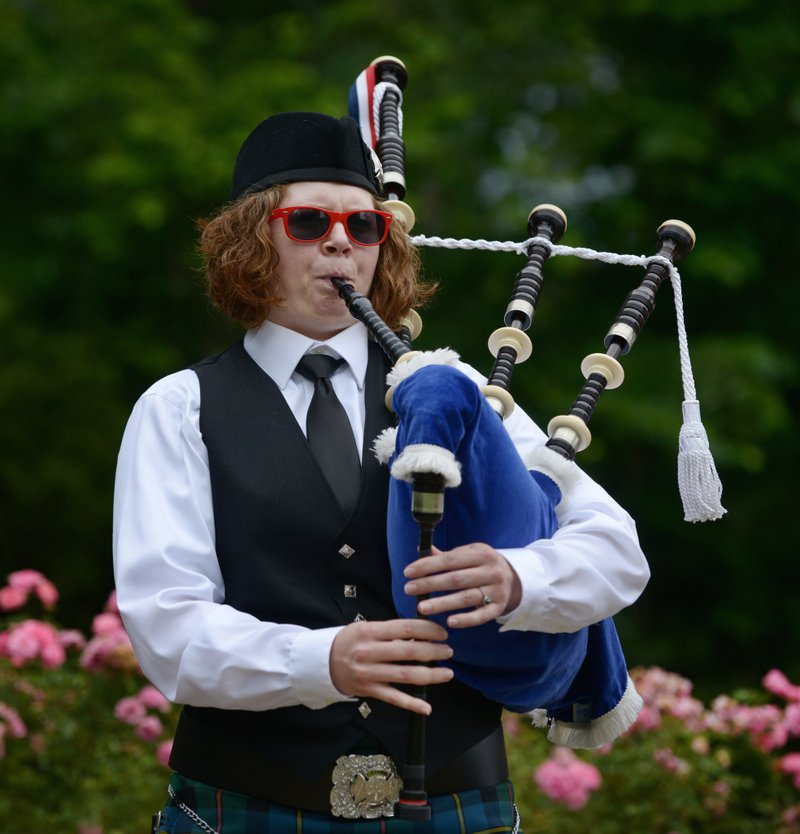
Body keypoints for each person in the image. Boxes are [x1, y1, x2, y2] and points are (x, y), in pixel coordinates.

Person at [113, 111, 650, 834]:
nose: (340, 240)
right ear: (250, 239)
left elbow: (616, 549)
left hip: (455, 801)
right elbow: (166, 625)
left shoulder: (451, 393)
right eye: (307, 222)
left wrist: (521, 579)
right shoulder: (180, 408)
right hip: (245, 803)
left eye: (363, 227)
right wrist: (320, 659)